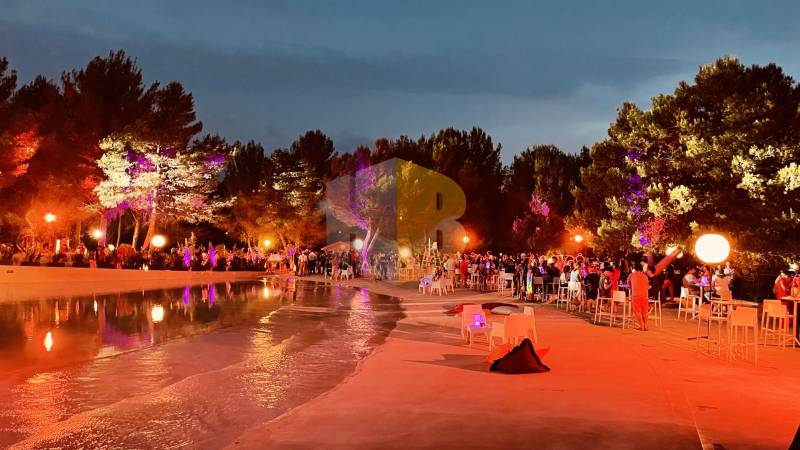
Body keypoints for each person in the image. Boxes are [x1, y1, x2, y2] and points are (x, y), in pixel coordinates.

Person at [628, 265, 650, 331]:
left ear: (635, 269)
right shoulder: (645, 276)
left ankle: (641, 326)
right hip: (645, 295)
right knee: (645, 311)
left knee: (637, 311)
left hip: (636, 295)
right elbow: (647, 286)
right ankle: (646, 325)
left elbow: (629, 285)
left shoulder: (631, 275)